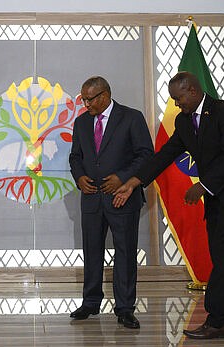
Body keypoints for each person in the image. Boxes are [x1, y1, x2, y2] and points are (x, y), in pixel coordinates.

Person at [113, 71, 224, 339]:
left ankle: (217, 320)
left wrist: (202, 185)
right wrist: (134, 181)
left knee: (223, 258)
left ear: (191, 90)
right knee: (223, 259)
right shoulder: (184, 121)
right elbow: (165, 155)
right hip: (217, 198)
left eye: (179, 99)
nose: (177, 105)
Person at [69, 76, 153, 329]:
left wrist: (123, 177)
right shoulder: (82, 122)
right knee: (91, 250)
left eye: (90, 99)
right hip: (92, 198)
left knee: (125, 252)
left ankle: (125, 308)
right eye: (83, 99)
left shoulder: (131, 117)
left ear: (104, 95)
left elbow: (146, 155)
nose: (86, 105)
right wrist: (80, 177)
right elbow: (75, 157)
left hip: (122, 198)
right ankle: (91, 302)